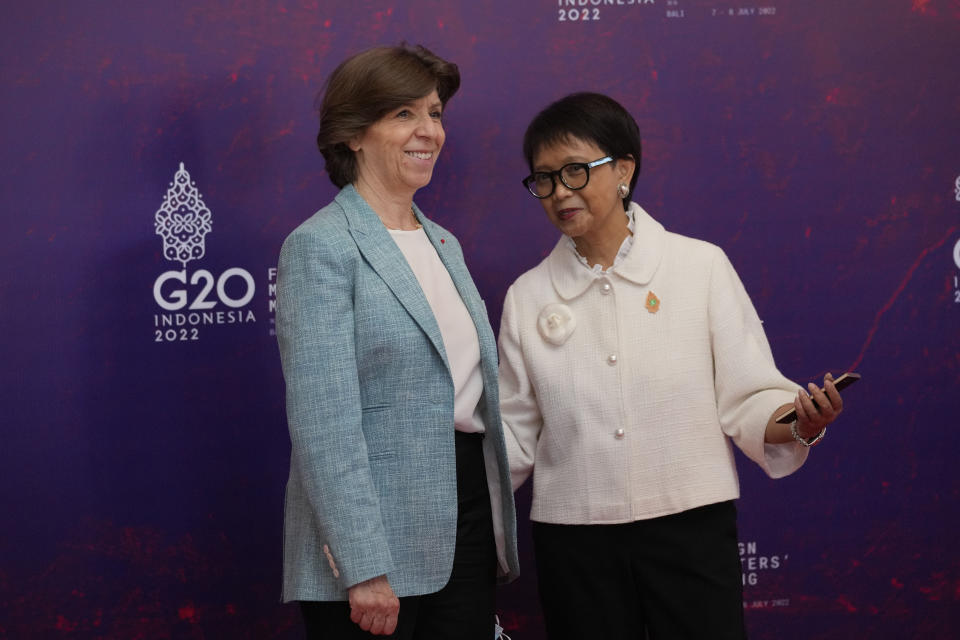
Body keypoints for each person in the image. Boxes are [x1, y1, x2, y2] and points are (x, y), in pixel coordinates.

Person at [498, 92, 845, 639]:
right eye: (543, 179)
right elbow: (514, 435)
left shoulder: (699, 267)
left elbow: (749, 396)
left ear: (623, 170)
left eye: (574, 171)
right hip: (575, 542)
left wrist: (802, 420)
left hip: (691, 530)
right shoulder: (527, 296)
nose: (559, 191)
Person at [276, 44, 519, 639]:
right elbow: (324, 422)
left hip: (464, 520)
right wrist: (362, 565)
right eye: (404, 114)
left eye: (434, 113)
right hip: (371, 545)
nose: (429, 131)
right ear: (354, 134)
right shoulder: (321, 246)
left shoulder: (444, 244)